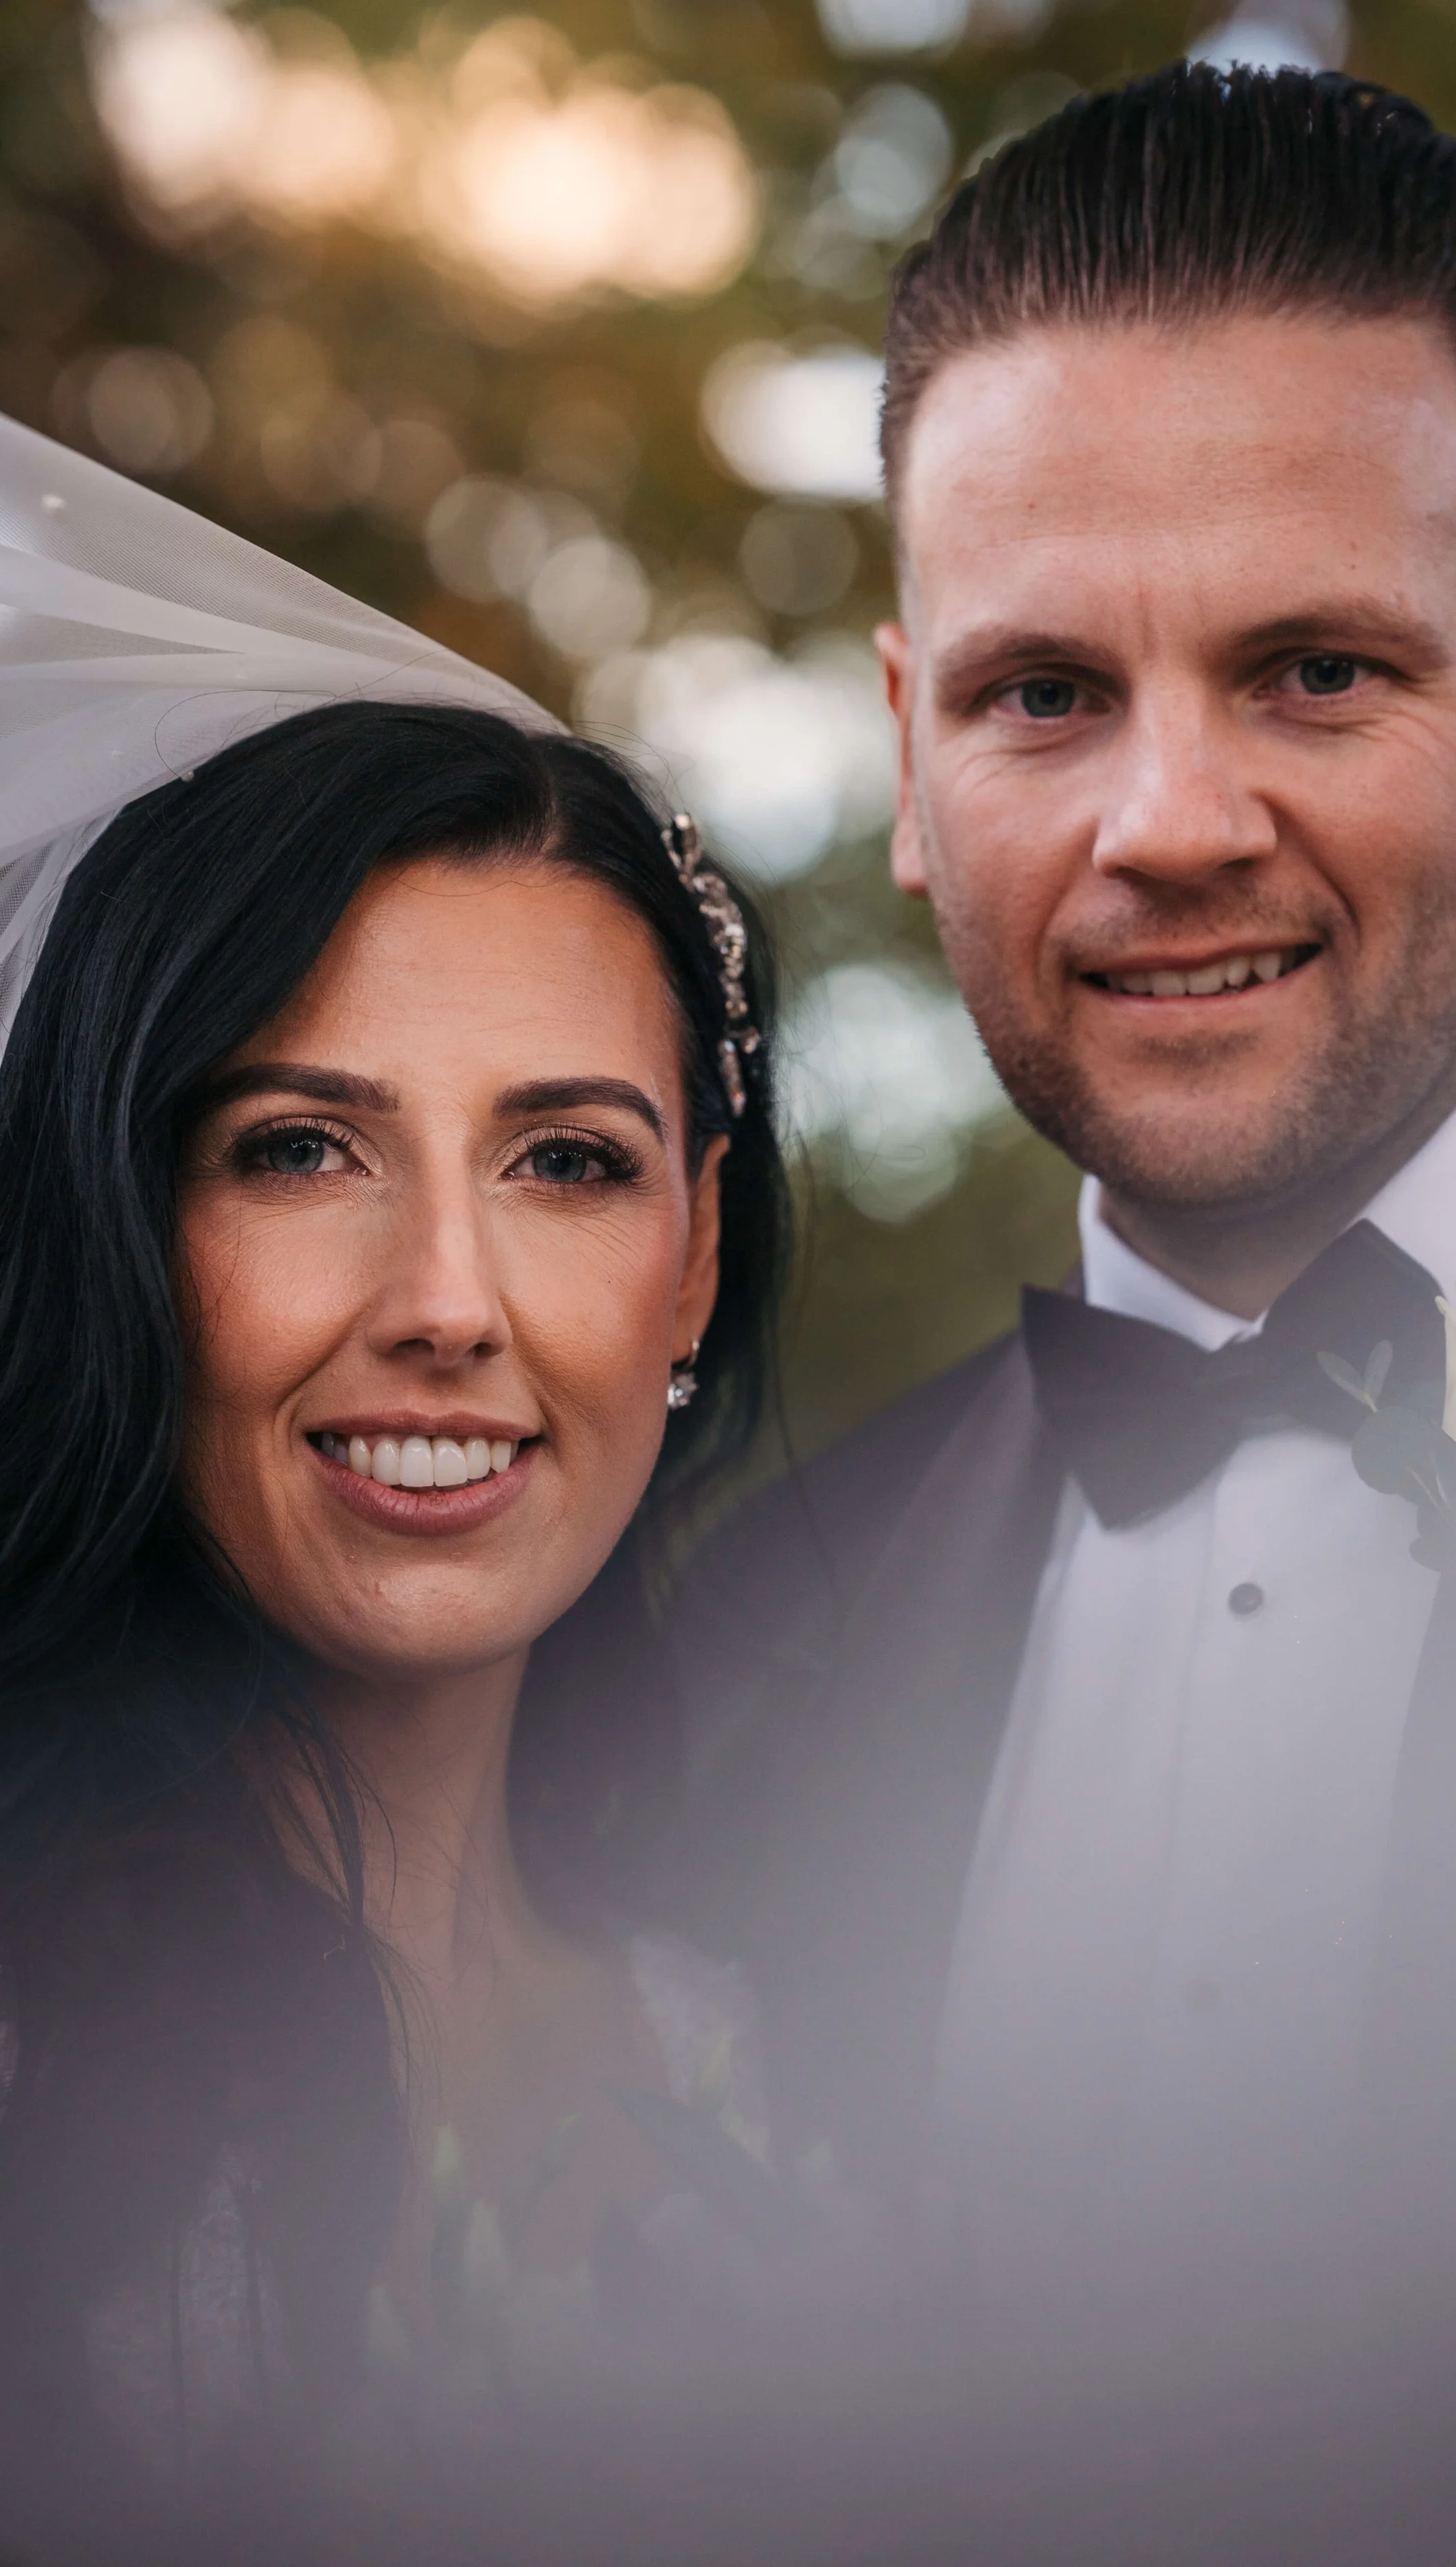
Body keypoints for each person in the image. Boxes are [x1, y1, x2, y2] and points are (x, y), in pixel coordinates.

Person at [665, 60, 1456, 2464]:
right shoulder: (732, 1635)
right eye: (1043, 695)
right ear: (914, 763)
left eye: (1312, 671)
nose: (1166, 826)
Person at [0, 417, 794, 2533]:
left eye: (564, 1162)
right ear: (122, 1226)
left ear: (692, 1255)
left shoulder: (774, 2066)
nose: (446, 1298)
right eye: (297, 1149)